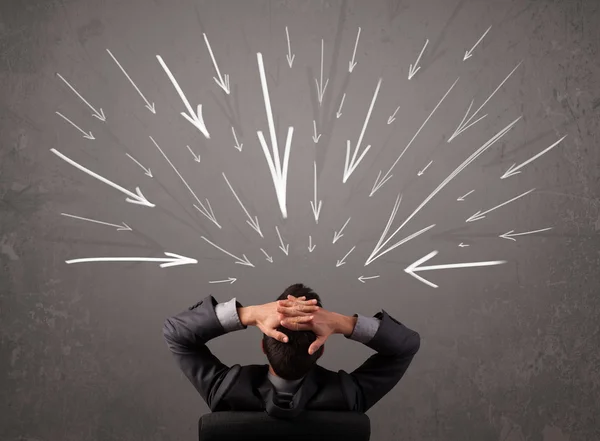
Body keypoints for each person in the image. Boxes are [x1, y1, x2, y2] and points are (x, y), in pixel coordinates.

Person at [162, 283, 420, 419]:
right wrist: (343, 323)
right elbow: (405, 346)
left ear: (263, 346)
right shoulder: (348, 397)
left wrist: (248, 314)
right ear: (321, 349)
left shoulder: (225, 391)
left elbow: (175, 332)